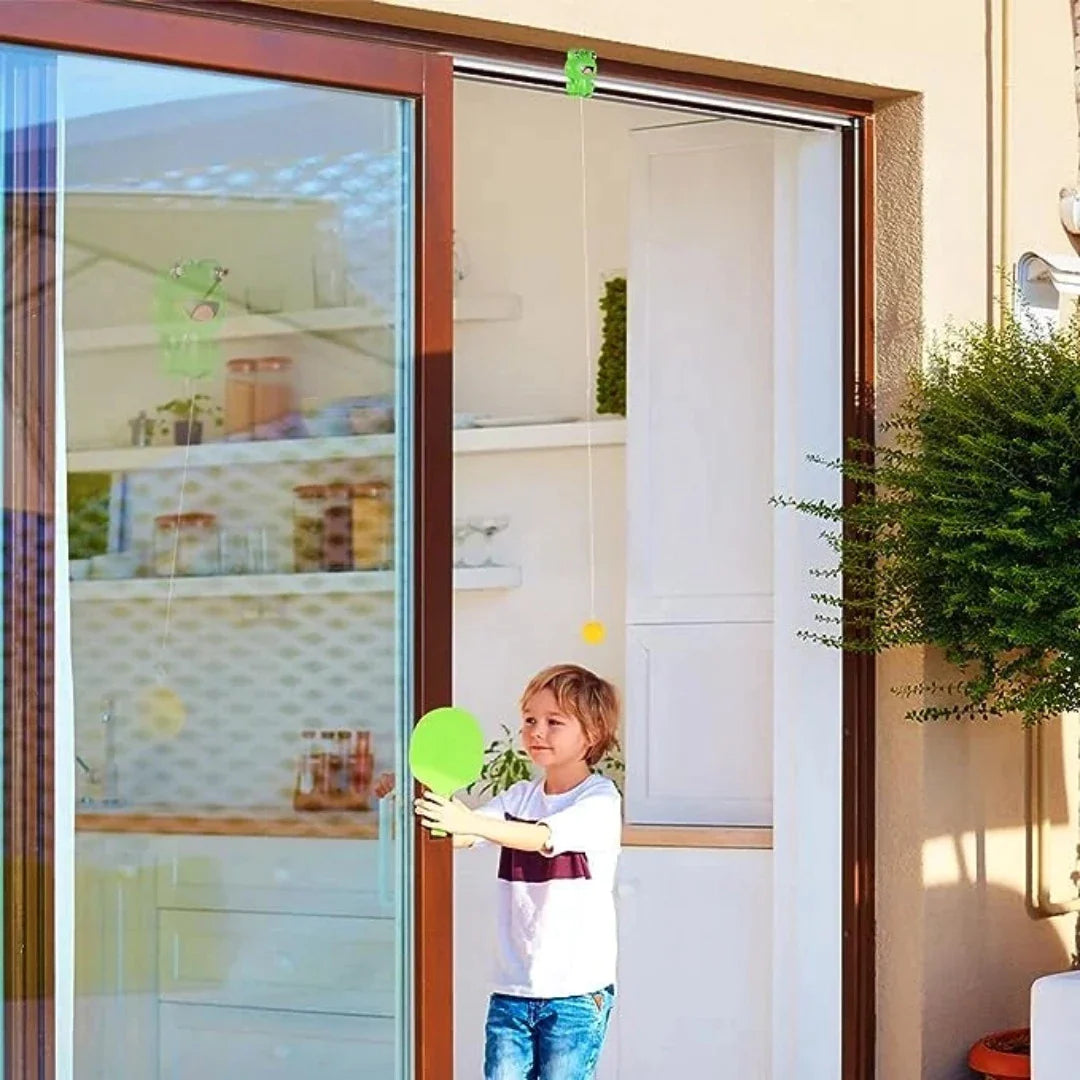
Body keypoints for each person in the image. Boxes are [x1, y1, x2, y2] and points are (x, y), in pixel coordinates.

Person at [374, 662, 622, 1080]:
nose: (536, 731)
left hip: (576, 994)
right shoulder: (519, 796)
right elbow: (461, 835)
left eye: (553, 722)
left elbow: (541, 837)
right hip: (512, 990)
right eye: (529, 720)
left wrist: (468, 822)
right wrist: (409, 800)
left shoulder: (599, 800)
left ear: (592, 734)